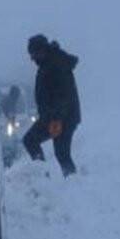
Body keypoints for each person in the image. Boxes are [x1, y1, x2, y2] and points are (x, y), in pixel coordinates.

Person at [22, 34, 81, 176]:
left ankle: (69, 182)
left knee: (60, 152)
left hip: (62, 118)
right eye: (31, 55)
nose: (32, 59)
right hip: (53, 117)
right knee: (32, 141)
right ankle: (45, 177)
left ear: (42, 50)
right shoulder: (47, 63)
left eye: (34, 54)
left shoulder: (56, 64)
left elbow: (64, 95)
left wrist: (57, 119)